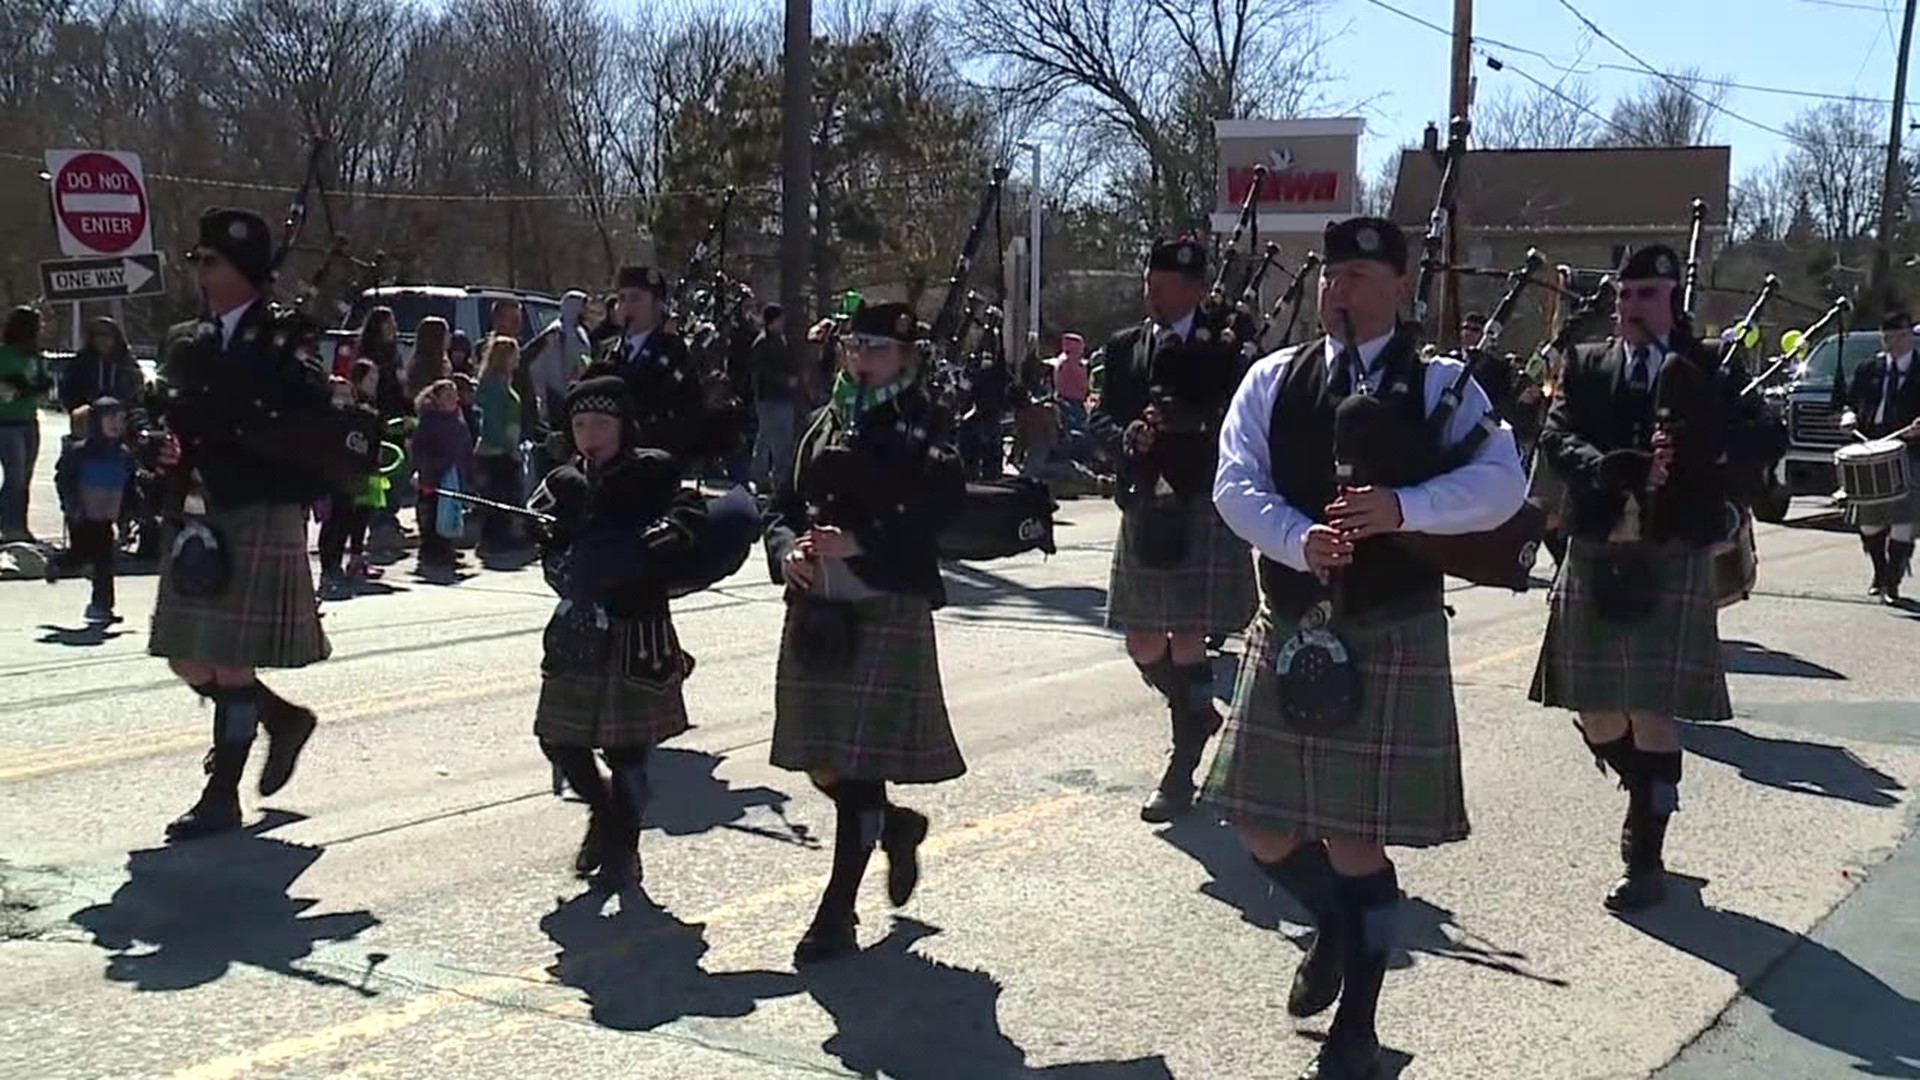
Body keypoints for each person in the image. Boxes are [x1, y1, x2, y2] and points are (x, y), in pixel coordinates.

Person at [1207, 216, 1527, 1080]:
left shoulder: (1440, 386)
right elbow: (1235, 482)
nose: (1337, 290)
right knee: (1260, 827)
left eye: (1357, 275)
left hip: (1389, 630)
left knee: (1353, 840)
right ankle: (1340, 931)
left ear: (1397, 288)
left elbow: (1503, 484)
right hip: (1293, 622)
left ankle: (1361, 1022)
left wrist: (1403, 509)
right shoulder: (1275, 377)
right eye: (1330, 274)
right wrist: (1296, 537)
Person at [1528, 244, 1772, 913]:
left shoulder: (1709, 369)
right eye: (1622, 295)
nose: (1628, 306)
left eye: (1643, 295)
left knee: (1653, 708)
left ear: (1670, 299)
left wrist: (1707, 461)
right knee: (1595, 709)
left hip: (1672, 548)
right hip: (1600, 538)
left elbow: (1762, 439)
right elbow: (1555, 435)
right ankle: (1647, 791)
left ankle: (1647, 854)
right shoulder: (1585, 363)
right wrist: (1605, 466)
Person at [763, 300, 968, 964]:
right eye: (855, 345)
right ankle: (896, 826)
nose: (862, 358)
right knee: (824, 762)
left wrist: (862, 540)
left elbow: (941, 510)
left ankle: (835, 913)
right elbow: (783, 503)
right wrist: (788, 547)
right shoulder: (828, 418)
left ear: (906, 357)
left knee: (854, 768)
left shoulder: (925, 423)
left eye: (877, 349)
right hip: (818, 605)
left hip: (884, 600)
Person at [146, 207, 334, 842]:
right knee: (184, 657)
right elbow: (164, 415)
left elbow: (310, 422)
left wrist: (248, 404)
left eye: (211, 262)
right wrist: (161, 448)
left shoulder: (286, 346)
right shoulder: (185, 341)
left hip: (258, 505)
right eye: (197, 260)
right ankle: (281, 719)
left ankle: (221, 795)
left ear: (247, 274)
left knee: (228, 661)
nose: (200, 271)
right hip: (199, 505)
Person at [1088, 237, 1258, 823]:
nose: (1150, 294)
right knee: (1142, 641)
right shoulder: (1125, 347)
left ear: (1193, 289)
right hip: (1144, 500)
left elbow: (1245, 416)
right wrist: (1126, 436)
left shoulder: (1226, 345)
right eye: (1147, 283)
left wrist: (1195, 424)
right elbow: (1099, 414)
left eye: (1161, 285)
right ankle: (1196, 711)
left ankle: (1181, 768)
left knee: (1186, 637)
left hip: (1201, 498)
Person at [529, 375, 715, 892]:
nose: (590, 434)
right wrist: (555, 551)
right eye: (581, 423)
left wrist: (647, 546)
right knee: (560, 739)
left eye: (602, 423)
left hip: (638, 626)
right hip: (579, 627)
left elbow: (689, 515)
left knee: (627, 751)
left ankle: (624, 851)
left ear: (623, 425)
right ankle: (605, 811)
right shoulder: (563, 480)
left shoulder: (651, 471)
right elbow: (540, 532)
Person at [1835, 310, 1920, 601]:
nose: (1892, 343)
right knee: (1870, 521)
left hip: (1911, 452)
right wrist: (1848, 415)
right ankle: (1880, 571)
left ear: (1910, 336)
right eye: (1887, 337)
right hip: (1870, 447)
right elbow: (1846, 401)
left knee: (1903, 521)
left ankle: (1892, 582)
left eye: (1898, 337)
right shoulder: (1868, 368)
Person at [586, 266, 707, 460]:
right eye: (622, 298)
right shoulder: (607, 350)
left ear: (657, 306)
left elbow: (688, 412)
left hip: (654, 459)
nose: (626, 306)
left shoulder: (672, 350)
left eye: (636, 298)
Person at [48, 398, 139, 624]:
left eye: (120, 419)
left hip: (106, 515)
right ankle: (58, 563)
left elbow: (128, 485)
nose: (116, 424)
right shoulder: (79, 452)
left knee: (104, 561)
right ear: (96, 421)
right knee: (80, 556)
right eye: (110, 418)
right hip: (81, 514)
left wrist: (130, 510)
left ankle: (101, 606)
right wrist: (72, 506)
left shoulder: (123, 453)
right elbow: (64, 480)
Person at [0, 306, 54, 542]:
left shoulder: (36, 357)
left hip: (29, 420)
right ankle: (10, 527)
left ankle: (19, 525)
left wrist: (36, 387)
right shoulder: (5, 355)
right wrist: (20, 387)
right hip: (7, 422)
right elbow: (8, 388)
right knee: (15, 476)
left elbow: (42, 386)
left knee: (25, 478)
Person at [749, 304, 800, 491]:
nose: (782, 323)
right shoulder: (762, 343)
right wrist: (786, 380)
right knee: (776, 437)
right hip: (770, 396)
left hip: (783, 396)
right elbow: (762, 373)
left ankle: (763, 473)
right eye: (779, 319)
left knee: (768, 436)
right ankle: (777, 476)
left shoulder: (781, 340)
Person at [58, 317, 145, 416]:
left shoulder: (127, 363)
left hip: (121, 416)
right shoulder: (81, 363)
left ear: (115, 337)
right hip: (88, 415)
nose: (102, 339)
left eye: (106, 335)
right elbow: (68, 390)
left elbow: (137, 392)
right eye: (97, 335)